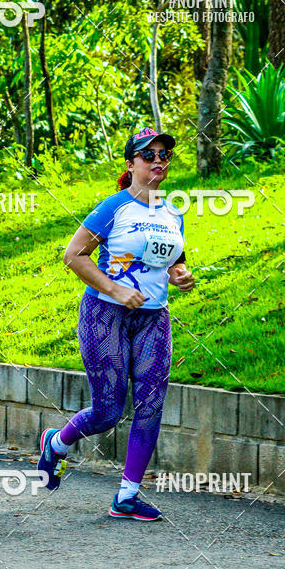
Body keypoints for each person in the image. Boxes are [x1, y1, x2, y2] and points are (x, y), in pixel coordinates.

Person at [38, 127, 195, 521]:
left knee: (150, 406)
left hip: (153, 318)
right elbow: (74, 255)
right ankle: (57, 443)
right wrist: (116, 289)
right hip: (105, 314)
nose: (159, 161)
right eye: (149, 155)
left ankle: (127, 495)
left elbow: (173, 259)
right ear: (131, 164)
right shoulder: (114, 207)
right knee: (109, 411)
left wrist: (180, 273)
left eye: (164, 155)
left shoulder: (173, 211)